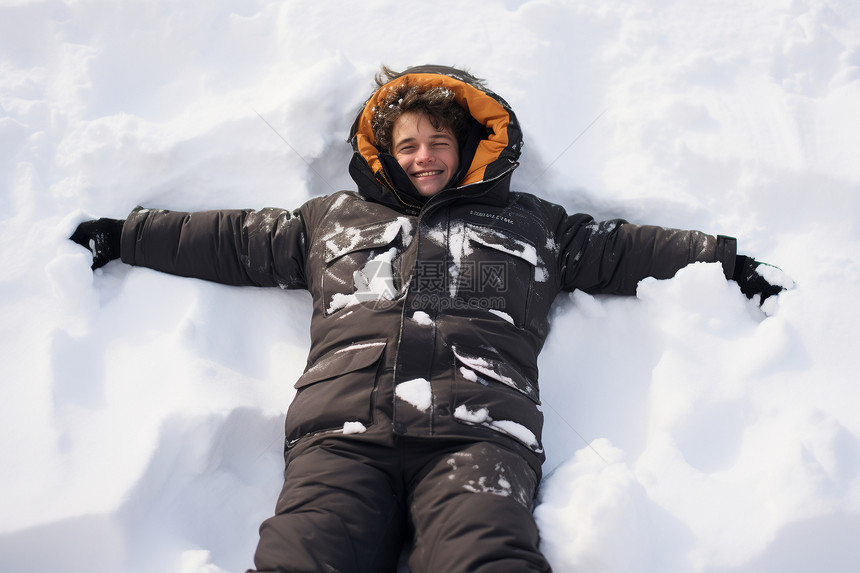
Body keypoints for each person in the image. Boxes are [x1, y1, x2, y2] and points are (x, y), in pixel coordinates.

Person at [70, 65, 789, 573]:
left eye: (438, 142)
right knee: (301, 554)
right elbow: (231, 239)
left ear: (471, 145)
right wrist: (126, 234)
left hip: (480, 431)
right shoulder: (331, 222)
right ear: (384, 148)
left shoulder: (531, 225)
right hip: (341, 437)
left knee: (486, 555)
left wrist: (724, 261)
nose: (423, 156)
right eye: (408, 143)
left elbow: (623, 248)